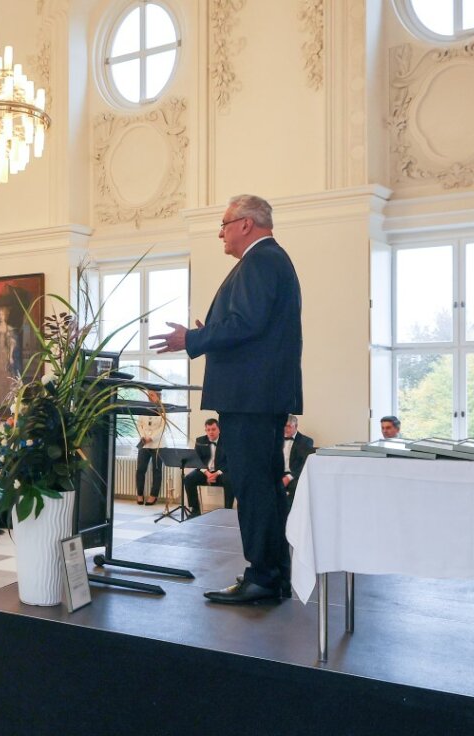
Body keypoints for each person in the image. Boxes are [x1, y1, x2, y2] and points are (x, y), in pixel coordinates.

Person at [154, 193, 303, 606]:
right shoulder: (266, 261)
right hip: (258, 395)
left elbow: (247, 323)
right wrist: (213, 331)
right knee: (263, 487)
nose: (220, 232)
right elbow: (250, 327)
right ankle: (271, 575)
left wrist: (195, 338)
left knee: (254, 487)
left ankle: (263, 576)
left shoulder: (261, 260)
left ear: (246, 224)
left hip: (251, 398)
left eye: (224, 223)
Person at [182, 417, 228, 516]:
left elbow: (229, 461)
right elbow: (197, 460)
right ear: (205, 430)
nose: (211, 432)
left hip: (220, 471)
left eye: (213, 429)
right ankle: (195, 510)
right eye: (208, 430)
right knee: (188, 479)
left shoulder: (227, 441)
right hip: (205, 471)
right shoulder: (200, 440)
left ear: (219, 429)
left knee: (230, 480)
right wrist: (207, 473)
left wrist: (216, 473)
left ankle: (228, 510)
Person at [134, 389, 166, 505]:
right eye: (148, 394)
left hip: (158, 444)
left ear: (158, 395)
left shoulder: (163, 409)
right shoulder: (144, 407)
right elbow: (139, 424)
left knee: (157, 471)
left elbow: (163, 427)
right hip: (144, 443)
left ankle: (153, 496)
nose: (149, 396)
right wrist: (143, 436)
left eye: (152, 394)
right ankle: (140, 495)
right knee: (140, 469)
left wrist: (151, 437)